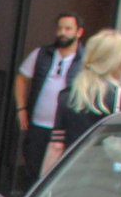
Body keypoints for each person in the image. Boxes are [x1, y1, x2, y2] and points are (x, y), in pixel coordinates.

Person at [46, 28, 121, 170]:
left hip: (69, 173)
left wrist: (44, 184)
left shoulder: (67, 95)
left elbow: (56, 146)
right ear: (113, 61)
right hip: (102, 176)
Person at [13, 13, 83, 185]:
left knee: (57, 175)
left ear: (79, 32)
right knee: (32, 170)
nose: (62, 32)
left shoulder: (85, 59)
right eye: (59, 28)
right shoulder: (41, 54)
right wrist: (21, 109)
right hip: (38, 125)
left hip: (65, 129)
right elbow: (21, 78)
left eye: (68, 28)